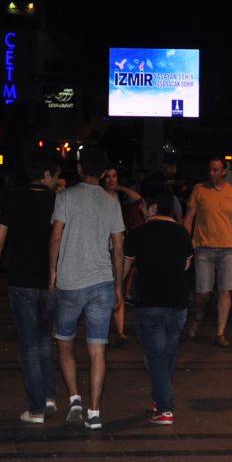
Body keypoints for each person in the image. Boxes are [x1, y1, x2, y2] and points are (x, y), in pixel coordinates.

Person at [49, 148, 126, 431]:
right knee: (97, 349)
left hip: (70, 281)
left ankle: (74, 398)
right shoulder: (111, 202)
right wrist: (118, 284)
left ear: (80, 168)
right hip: (102, 282)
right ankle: (94, 412)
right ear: (104, 172)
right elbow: (118, 247)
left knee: (64, 342)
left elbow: (56, 235)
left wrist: (53, 270)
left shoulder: (64, 197)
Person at [0, 154, 62, 423]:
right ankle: (49, 397)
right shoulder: (57, 201)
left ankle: (36, 408)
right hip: (50, 280)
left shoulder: (13, 198)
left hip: (21, 279)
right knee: (45, 339)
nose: (58, 181)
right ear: (46, 174)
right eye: (56, 176)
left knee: (29, 343)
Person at [123, 181, 194, 425]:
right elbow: (186, 264)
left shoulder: (139, 233)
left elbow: (125, 265)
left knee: (155, 355)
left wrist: (117, 288)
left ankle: (164, 408)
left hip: (149, 301)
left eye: (143, 205)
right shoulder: (182, 233)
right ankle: (161, 396)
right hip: (177, 301)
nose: (141, 209)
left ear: (152, 207)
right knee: (168, 353)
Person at [182, 156, 232, 348]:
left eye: (215, 170)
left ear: (224, 171)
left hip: (227, 249)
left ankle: (220, 333)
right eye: (210, 169)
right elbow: (188, 219)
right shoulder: (199, 189)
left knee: (225, 291)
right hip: (203, 248)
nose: (211, 173)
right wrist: (186, 244)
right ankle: (199, 315)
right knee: (203, 292)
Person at [101, 166, 144, 347]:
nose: (111, 180)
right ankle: (102, 329)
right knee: (105, 289)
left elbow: (138, 198)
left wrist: (119, 188)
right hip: (101, 248)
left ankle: (120, 332)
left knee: (118, 285)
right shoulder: (98, 197)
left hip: (119, 247)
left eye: (114, 176)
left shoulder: (121, 198)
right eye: (108, 177)